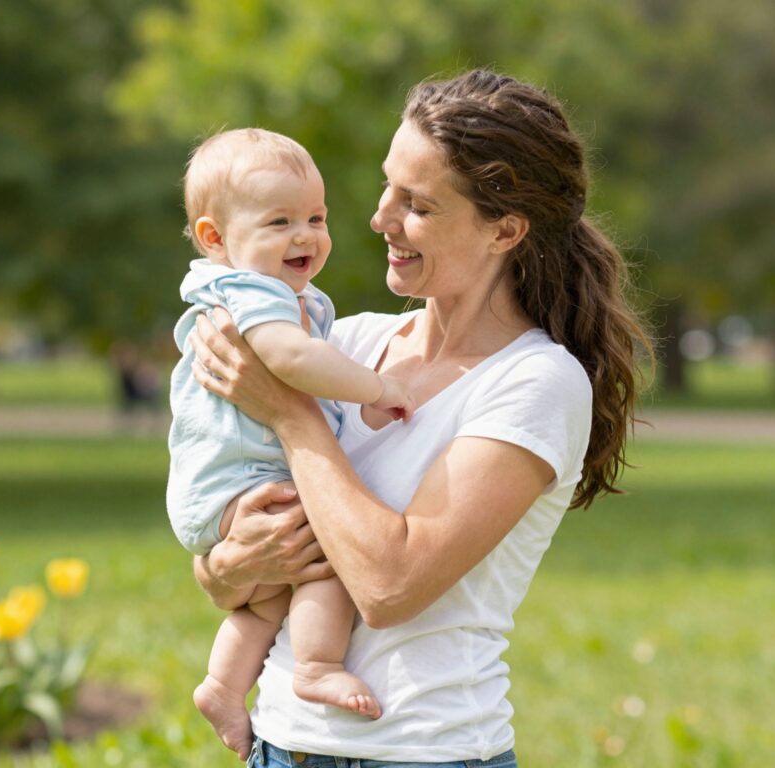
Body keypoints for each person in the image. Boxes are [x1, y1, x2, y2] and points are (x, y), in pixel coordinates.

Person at [190, 69, 652, 766]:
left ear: (505, 230)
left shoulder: (535, 383)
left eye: (417, 205)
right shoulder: (345, 344)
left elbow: (388, 586)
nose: (378, 218)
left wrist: (291, 414)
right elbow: (219, 570)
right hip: (283, 745)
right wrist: (230, 560)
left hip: (423, 751)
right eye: (386, 187)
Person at [167, 129, 415, 759]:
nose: (305, 235)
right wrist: (375, 387)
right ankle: (315, 666)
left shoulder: (290, 296)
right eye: (279, 221)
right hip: (244, 478)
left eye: (315, 217)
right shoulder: (251, 292)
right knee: (329, 554)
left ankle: (223, 686)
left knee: (272, 593)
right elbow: (291, 359)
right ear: (214, 238)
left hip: (226, 486)